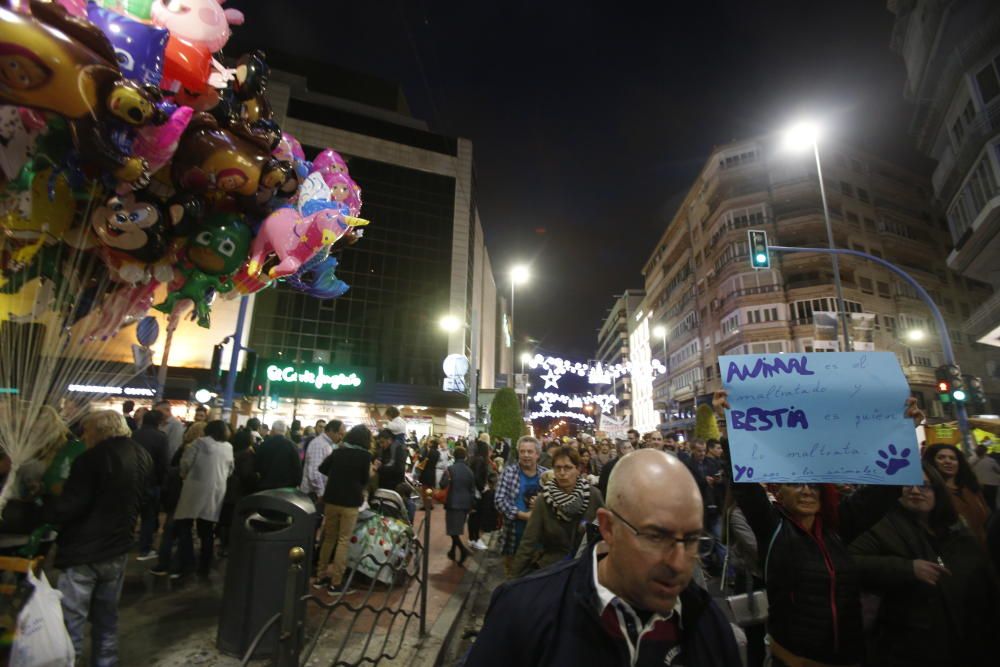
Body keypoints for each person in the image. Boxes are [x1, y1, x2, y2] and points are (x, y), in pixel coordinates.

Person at [468, 449, 739, 665]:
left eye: (691, 540)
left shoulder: (708, 624)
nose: (679, 563)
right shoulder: (524, 611)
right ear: (608, 528)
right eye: (656, 537)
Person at [716, 390, 921, 667]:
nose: (806, 491)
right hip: (793, 660)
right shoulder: (773, 528)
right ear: (779, 492)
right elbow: (745, 486)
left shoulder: (838, 527)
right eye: (795, 484)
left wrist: (905, 432)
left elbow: (883, 491)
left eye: (813, 485)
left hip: (849, 658)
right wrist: (730, 427)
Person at [848, 463, 999, 666]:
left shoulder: (957, 528)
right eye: (907, 484)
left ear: (937, 490)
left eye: (924, 485)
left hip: (968, 640)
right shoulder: (882, 526)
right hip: (913, 647)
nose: (916, 490)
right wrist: (907, 569)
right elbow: (850, 562)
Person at [44, 411, 151, 666]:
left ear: (99, 431)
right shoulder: (142, 455)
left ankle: (69, 661)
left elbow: (71, 505)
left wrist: (44, 511)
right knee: (106, 619)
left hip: (84, 551)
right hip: (118, 549)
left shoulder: (91, 459)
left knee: (72, 620)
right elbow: (143, 500)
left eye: (87, 431)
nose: (84, 437)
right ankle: (106, 662)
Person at [511, 446, 604, 577]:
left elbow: (606, 533)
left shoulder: (593, 495)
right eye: (557, 467)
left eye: (567, 467)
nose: (562, 472)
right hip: (553, 569)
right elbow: (528, 541)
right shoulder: (543, 501)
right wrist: (513, 580)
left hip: (587, 568)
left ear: (578, 469)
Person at [171, 420, 234, 578]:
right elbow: (230, 470)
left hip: (195, 488)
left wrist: (184, 475)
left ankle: (188, 562)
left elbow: (185, 464)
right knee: (206, 530)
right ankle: (204, 566)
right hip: (217, 490)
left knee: (184, 525)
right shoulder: (228, 447)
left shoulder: (198, 443)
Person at [315, 424, 372, 595]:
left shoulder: (338, 451)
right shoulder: (365, 456)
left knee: (329, 538)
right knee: (343, 540)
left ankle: (320, 577)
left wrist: (337, 475)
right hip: (350, 502)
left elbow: (322, 468)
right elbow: (364, 479)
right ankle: (336, 583)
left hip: (331, 499)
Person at [496, 436, 550, 576]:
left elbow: (555, 502)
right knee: (513, 580)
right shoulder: (508, 473)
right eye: (522, 451)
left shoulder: (546, 475)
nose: (526, 455)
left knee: (537, 582)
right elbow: (499, 500)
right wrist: (522, 515)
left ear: (537, 454)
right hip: (513, 539)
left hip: (540, 542)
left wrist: (542, 501)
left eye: (530, 452)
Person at [922, 443, 990, 545]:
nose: (948, 461)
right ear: (932, 462)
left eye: (952, 458)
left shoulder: (971, 488)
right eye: (941, 457)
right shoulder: (930, 492)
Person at [132, 410, 169, 561]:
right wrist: (161, 482)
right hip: (151, 482)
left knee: (131, 514)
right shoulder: (161, 437)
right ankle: (145, 549)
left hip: (133, 480)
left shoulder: (134, 434)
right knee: (148, 517)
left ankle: (124, 543)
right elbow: (163, 462)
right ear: (158, 422)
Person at [441, 446, 477, 565]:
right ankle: (452, 551)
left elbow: (442, 484)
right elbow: (472, 489)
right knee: (456, 529)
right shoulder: (469, 471)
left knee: (453, 531)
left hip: (452, 502)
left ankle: (463, 550)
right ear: (465, 456)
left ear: (454, 456)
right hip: (465, 504)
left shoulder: (450, 469)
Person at [300, 420, 343, 504]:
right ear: (331, 431)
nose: (341, 437)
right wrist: (321, 493)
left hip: (315, 493)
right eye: (340, 434)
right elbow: (314, 473)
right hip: (312, 494)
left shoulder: (327, 444)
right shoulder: (319, 444)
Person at [255, 419, 302, 490]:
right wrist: (297, 483)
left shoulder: (264, 444)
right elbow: (297, 466)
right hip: (286, 486)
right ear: (285, 431)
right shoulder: (292, 445)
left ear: (273, 430)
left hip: (266, 484)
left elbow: (257, 464)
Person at [467, 438, 491, 551]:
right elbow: (477, 477)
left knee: (473, 517)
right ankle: (475, 539)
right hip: (477, 494)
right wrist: (483, 488)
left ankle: (472, 539)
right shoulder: (481, 460)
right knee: (476, 518)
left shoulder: (473, 459)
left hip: (472, 493)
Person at [970, 444, 1000, 510]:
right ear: (985, 451)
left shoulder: (971, 460)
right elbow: (998, 470)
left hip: (979, 484)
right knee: (993, 502)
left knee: (984, 502)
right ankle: (995, 516)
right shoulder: (990, 460)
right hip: (992, 484)